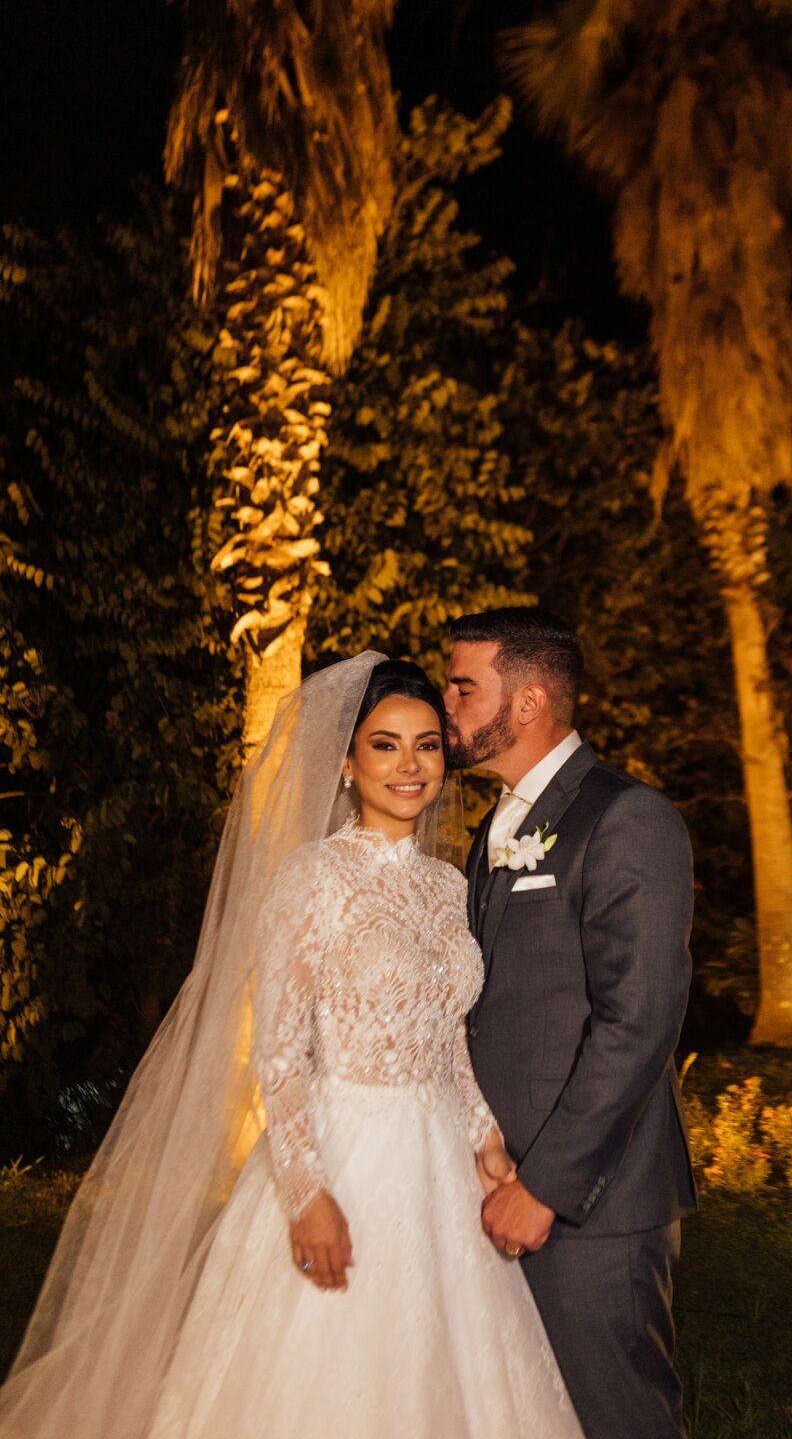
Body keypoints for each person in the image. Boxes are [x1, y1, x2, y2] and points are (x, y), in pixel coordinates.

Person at [0, 653, 581, 1439]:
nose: (409, 766)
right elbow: (278, 1054)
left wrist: (482, 1137)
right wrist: (305, 1194)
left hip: (440, 1161)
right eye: (384, 745)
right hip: (342, 1155)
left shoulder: (450, 888)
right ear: (346, 761)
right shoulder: (310, 879)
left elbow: (447, 1036)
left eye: (426, 745)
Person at [445, 609, 698, 1439]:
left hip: (592, 1198)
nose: (446, 704)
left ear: (527, 703)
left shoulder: (627, 818)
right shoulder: (495, 828)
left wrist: (545, 1184)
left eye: (462, 686)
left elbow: (639, 1021)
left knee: (614, 1416)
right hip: (498, 1182)